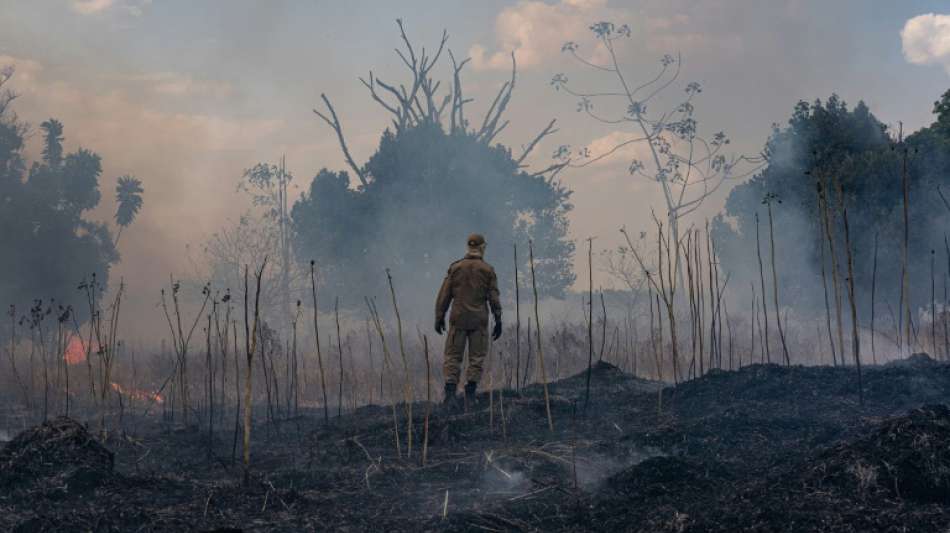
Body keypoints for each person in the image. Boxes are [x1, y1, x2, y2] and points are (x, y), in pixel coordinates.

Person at [434, 233, 502, 410]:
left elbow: (444, 295)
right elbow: (494, 297)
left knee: (453, 357)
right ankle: (470, 395)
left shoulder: (456, 268)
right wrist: (498, 318)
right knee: (476, 358)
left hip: (458, 319)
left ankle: (450, 396)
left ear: (468, 247)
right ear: (482, 247)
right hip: (478, 320)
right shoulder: (488, 270)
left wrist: (439, 316)